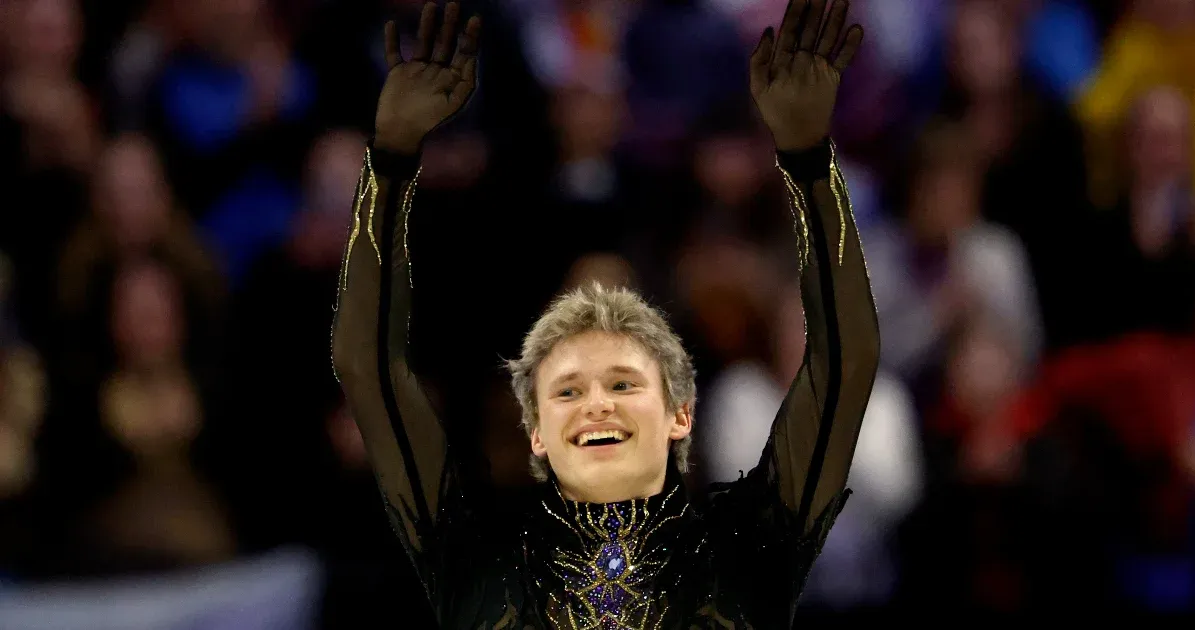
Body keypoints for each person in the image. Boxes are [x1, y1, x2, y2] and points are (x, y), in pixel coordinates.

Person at [330, 0, 879, 626]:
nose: (598, 408)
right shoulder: (475, 558)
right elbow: (366, 368)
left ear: (679, 414)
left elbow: (847, 365)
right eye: (568, 389)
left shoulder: (735, 553)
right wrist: (391, 161)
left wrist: (808, 161)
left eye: (622, 383)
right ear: (534, 429)